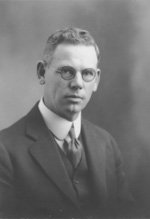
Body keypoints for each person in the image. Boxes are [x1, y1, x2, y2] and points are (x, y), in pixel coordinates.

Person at [0, 27, 133, 218]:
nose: (78, 83)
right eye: (67, 71)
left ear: (96, 81)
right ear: (41, 73)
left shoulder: (107, 144)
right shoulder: (5, 149)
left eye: (87, 73)